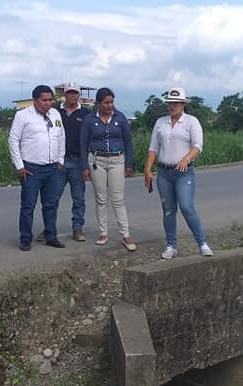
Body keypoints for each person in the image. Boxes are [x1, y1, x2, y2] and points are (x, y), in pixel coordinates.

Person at [144, 87, 213, 260]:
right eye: (170, 103)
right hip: (164, 172)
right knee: (168, 210)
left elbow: (197, 146)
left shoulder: (191, 122)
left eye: (176, 103)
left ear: (183, 104)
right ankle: (171, 245)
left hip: (183, 172)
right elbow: (153, 148)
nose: (172, 106)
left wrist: (186, 159)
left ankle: (202, 243)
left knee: (186, 206)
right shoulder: (161, 122)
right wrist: (148, 169)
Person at [8, 85, 66, 251]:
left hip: (52, 168)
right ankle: (25, 238)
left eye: (50, 100)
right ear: (35, 100)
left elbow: (61, 137)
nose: (48, 103)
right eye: (44, 100)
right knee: (28, 205)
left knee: (51, 204)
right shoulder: (23, 115)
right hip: (31, 168)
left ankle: (51, 236)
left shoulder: (55, 114)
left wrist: (60, 160)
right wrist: (19, 166)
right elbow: (13, 140)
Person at [80, 87, 136, 250]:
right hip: (97, 160)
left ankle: (125, 234)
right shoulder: (90, 120)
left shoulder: (120, 117)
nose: (110, 105)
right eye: (106, 102)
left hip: (117, 160)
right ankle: (103, 233)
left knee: (118, 199)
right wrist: (84, 166)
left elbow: (128, 142)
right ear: (98, 103)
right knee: (101, 199)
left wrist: (129, 164)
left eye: (111, 102)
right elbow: (83, 143)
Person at [57, 83, 89, 241]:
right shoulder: (55, 112)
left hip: (77, 162)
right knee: (52, 198)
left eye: (75, 93)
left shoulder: (86, 114)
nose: (72, 96)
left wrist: (86, 165)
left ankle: (78, 229)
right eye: (69, 93)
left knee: (78, 199)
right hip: (59, 162)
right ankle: (49, 228)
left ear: (78, 94)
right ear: (65, 94)